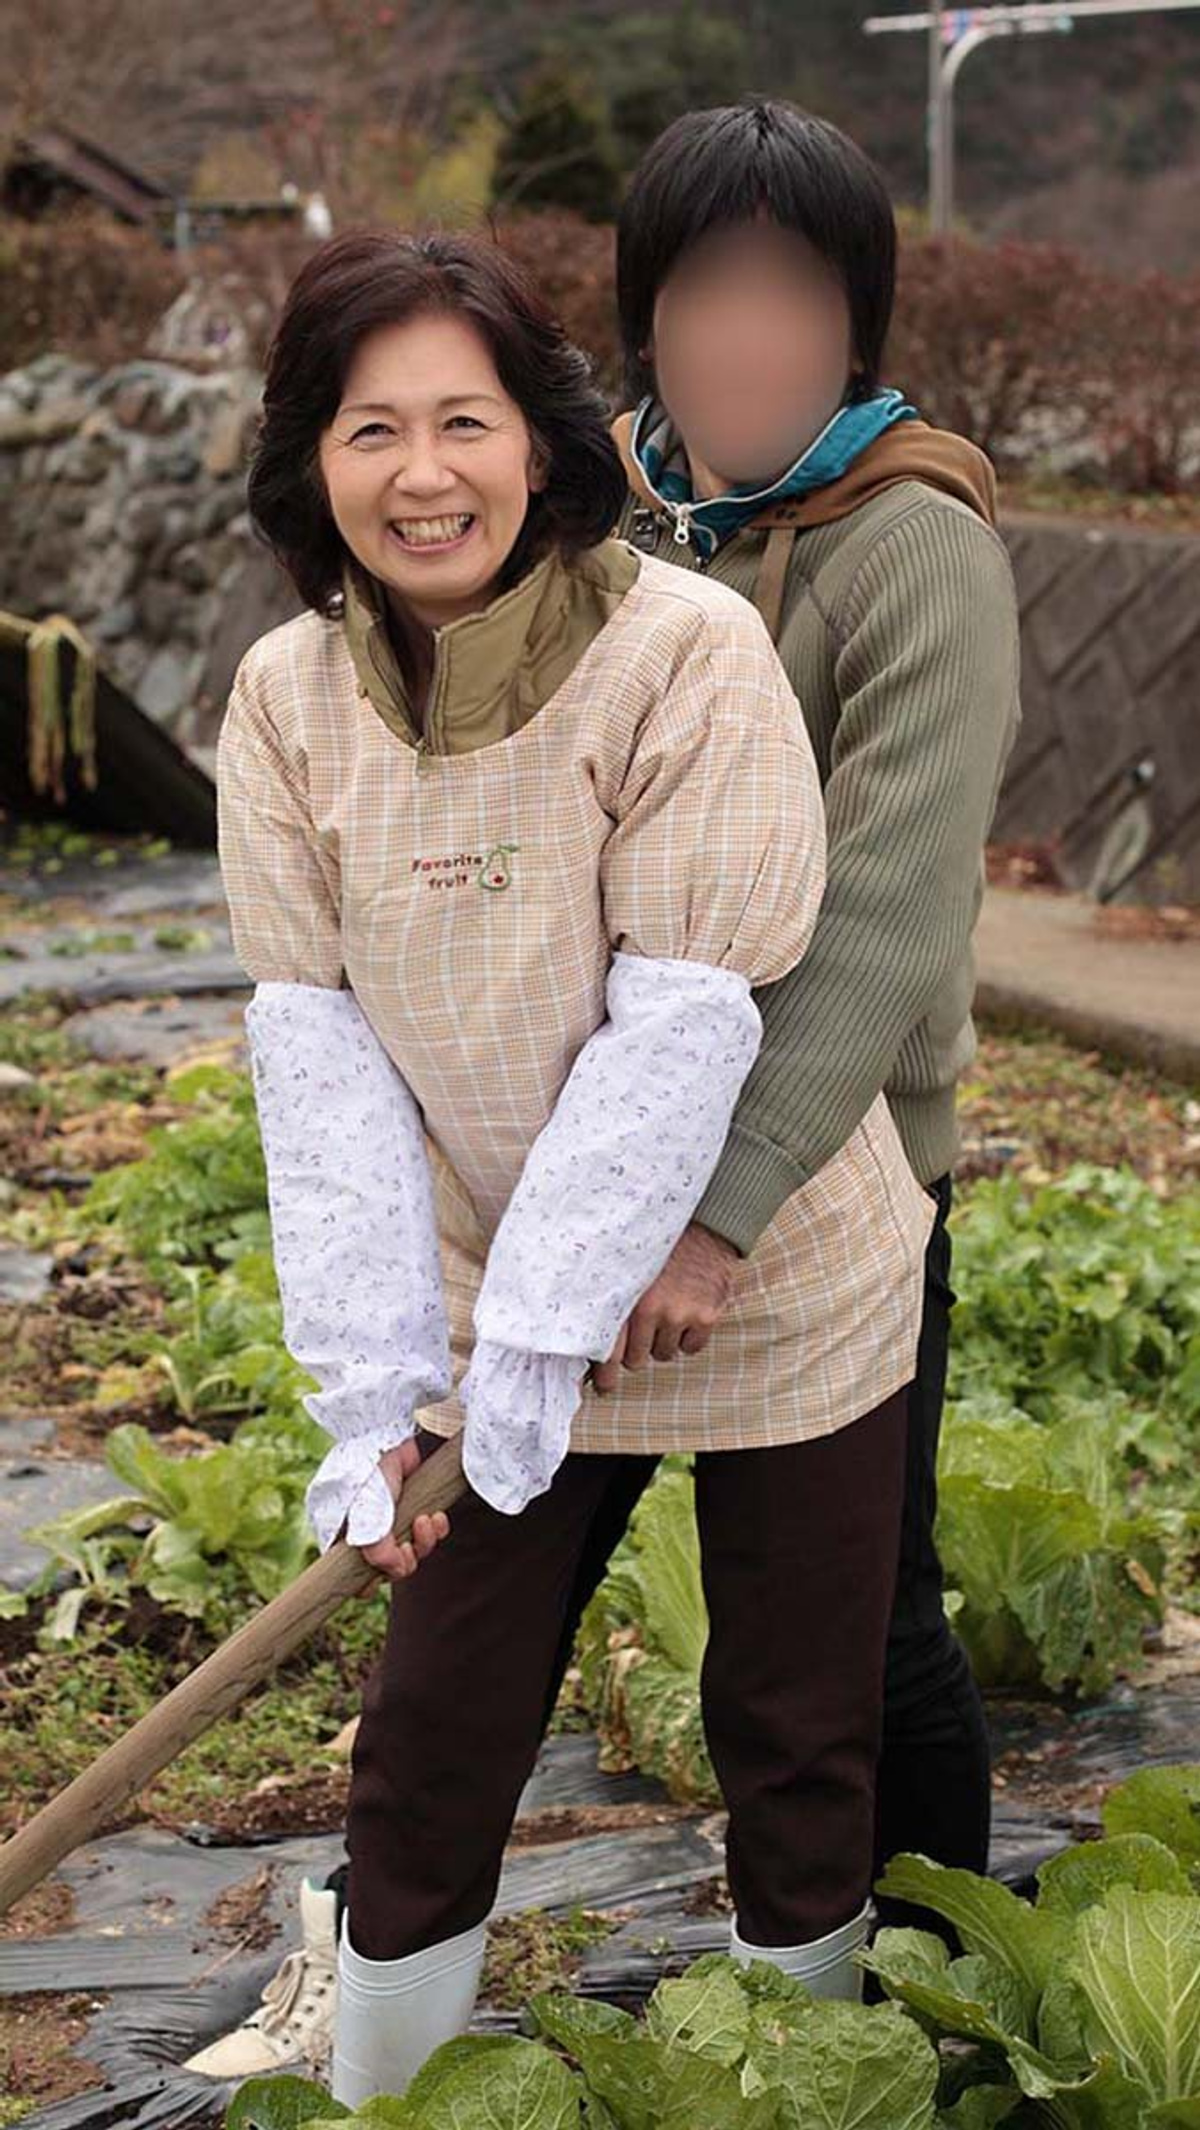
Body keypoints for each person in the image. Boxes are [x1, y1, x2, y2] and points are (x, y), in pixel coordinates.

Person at [202, 224, 934, 2102]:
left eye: (465, 421)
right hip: (490, 1286)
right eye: (372, 429)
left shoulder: (683, 650)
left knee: (792, 1720)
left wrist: (560, 1314)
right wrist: (381, 1385)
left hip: (763, 1269)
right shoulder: (286, 699)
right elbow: (320, 1054)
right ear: (312, 461)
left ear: (541, 440)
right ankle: (389, 2089)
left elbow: (682, 1017)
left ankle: (803, 2079)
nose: (422, 473)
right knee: (432, 1725)